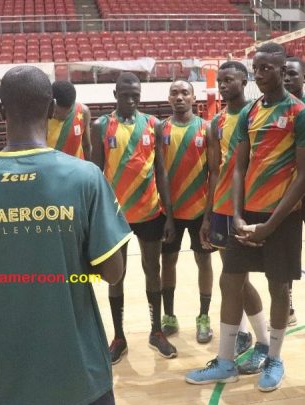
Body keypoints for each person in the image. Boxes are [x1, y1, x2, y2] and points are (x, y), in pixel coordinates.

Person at [0, 65, 130, 405]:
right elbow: (113, 272)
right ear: (51, 109)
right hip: (79, 374)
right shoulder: (86, 177)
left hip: (6, 377)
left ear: (0, 111)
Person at [185, 42, 305, 391]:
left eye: (266, 68)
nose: (259, 74)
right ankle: (226, 361)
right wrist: (238, 216)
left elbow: (304, 176)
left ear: (282, 68)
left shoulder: (300, 113)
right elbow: (238, 168)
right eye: (256, 68)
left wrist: (270, 224)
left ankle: (273, 358)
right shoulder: (249, 113)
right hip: (245, 215)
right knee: (231, 281)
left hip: (282, 217)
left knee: (278, 287)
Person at [91, 72, 177, 363]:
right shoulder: (101, 126)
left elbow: (161, 171)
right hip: (115, 215)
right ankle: (119, 336)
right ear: (115, 95)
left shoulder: (153, 124)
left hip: (151, 212)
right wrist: (96, 216)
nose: (130, 99)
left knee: (153, 269)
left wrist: (169, 215)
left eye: (135, 95)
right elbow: (95, 175)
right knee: (117, 275)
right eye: (125, 95)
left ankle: (156, 331)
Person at [199, 61, 269, 359]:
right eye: (221, 81)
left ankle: (264, 340)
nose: (224, 85)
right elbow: (215, 171)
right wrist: (208, 214)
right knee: (232, 277)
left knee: (237, 278)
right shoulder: (215, 122)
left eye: (230, 80)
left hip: (249, 207)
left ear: (245, 80)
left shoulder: (256, 114)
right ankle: (242, 334)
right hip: (222, 207)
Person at [159, 80, 215, 343]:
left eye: (185, 93)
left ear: (194, 97)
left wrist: (208, 216)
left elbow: (214, 173)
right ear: (168, 98)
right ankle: (168, 316)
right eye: (174, 93)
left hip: (199, 211)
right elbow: (159, 174)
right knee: (167, 262)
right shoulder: (160, 129)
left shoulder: (206, 128)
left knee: (204, 261)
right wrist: (167, 215)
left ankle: (203, 316)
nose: (179, 97)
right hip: (169, 211)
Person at [282, 55, 305, 327]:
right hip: (286, 194)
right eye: (284, 73)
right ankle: (288, 308)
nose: (287, 78)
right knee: (287, 257)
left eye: (293, 74)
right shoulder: (276, 109)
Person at [47, 80, 92, 160]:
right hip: (51, 169)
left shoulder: (83, 111)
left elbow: (86, 145)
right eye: (57, 112)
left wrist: (90, 168)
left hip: (76, 169)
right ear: (51, 104)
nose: (63, 116)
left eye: (68, 112)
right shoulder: (41, 116)